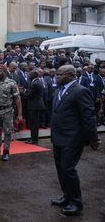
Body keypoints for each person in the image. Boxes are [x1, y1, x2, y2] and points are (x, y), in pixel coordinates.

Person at [50, 65, 100, 216]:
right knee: (60, 169)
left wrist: (93, 138)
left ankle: (76, 203)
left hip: (72, 138)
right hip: (58, 137)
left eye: (59, 74)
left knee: (68, 169)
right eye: (56, 75)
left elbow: (88, 117)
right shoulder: (59, 91)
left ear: (71, 74)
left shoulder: (80, 91)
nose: (56, 77)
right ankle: (66, 196)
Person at [0, 64, 22, 161]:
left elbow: (17, 99)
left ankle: (6, 152)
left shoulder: (11, 83)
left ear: (5, 72)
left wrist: (19, 114)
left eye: (0, 71)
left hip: (7, 111)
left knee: (7, 132)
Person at [25, 69, 45, 144]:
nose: (28, 76)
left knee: (34, 123)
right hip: (37, 105)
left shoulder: (35, 83)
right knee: (34, 123)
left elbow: (29, 95)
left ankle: (34, 139)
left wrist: (21, 92)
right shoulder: (37, 82)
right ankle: (33, 138)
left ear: (33, 76)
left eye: (29, 75)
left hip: (35, 105)